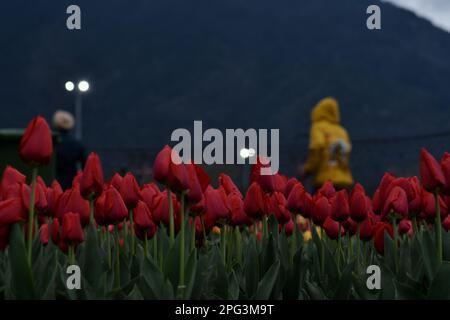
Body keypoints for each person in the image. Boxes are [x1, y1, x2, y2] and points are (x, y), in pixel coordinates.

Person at [302, 97, 353, 190]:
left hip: (324, 179)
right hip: (344, 181)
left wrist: (306, 169)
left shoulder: (318, 127)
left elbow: (317, 148)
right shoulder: (342, 131)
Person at [52, 110, 86, 190]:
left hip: (53, 182)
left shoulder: (51, 142)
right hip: (71, 183)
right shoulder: (77, 144)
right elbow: (85, 164)